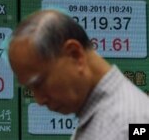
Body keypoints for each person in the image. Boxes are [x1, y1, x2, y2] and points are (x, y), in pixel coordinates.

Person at [8, 9, 149, 140]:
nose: (39, 100)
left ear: (75, 55)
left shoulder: (130, 123)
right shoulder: (103, 118)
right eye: (30, 89)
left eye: (39, 83)